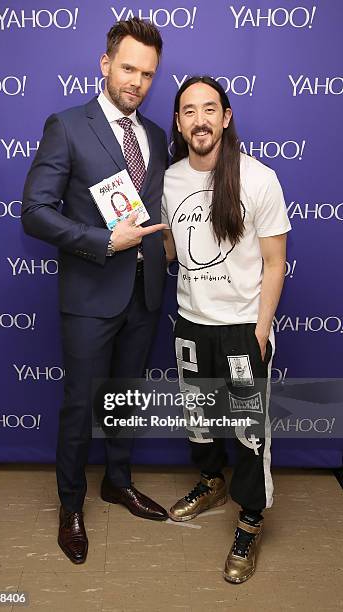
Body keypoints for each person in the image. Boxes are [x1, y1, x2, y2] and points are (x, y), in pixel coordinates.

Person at [21, 18, 169, 565]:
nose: (137, 81)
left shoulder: (155, 136)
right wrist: (103, 240)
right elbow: (33, 212)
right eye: (128, 68)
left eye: (147, 73)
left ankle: (119, 482)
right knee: (81, 404)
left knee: (124, 401)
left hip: (145, 292)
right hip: (89, 294)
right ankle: (71, 505)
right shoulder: (66, 125)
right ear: (105, 64)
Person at [162, 76, 291, 583]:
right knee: (200, 421)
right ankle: (211, 482)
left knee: (250, 436)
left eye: (209, 108)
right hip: (191, 324)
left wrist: (259, 333)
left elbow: (276, 262)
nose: (200, 119)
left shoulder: (259, 179)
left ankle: (251, 520)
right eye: (189, 110)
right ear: (179, 122)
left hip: (241, 328)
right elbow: (173, 250)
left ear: (226, 117)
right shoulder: (169, 179)